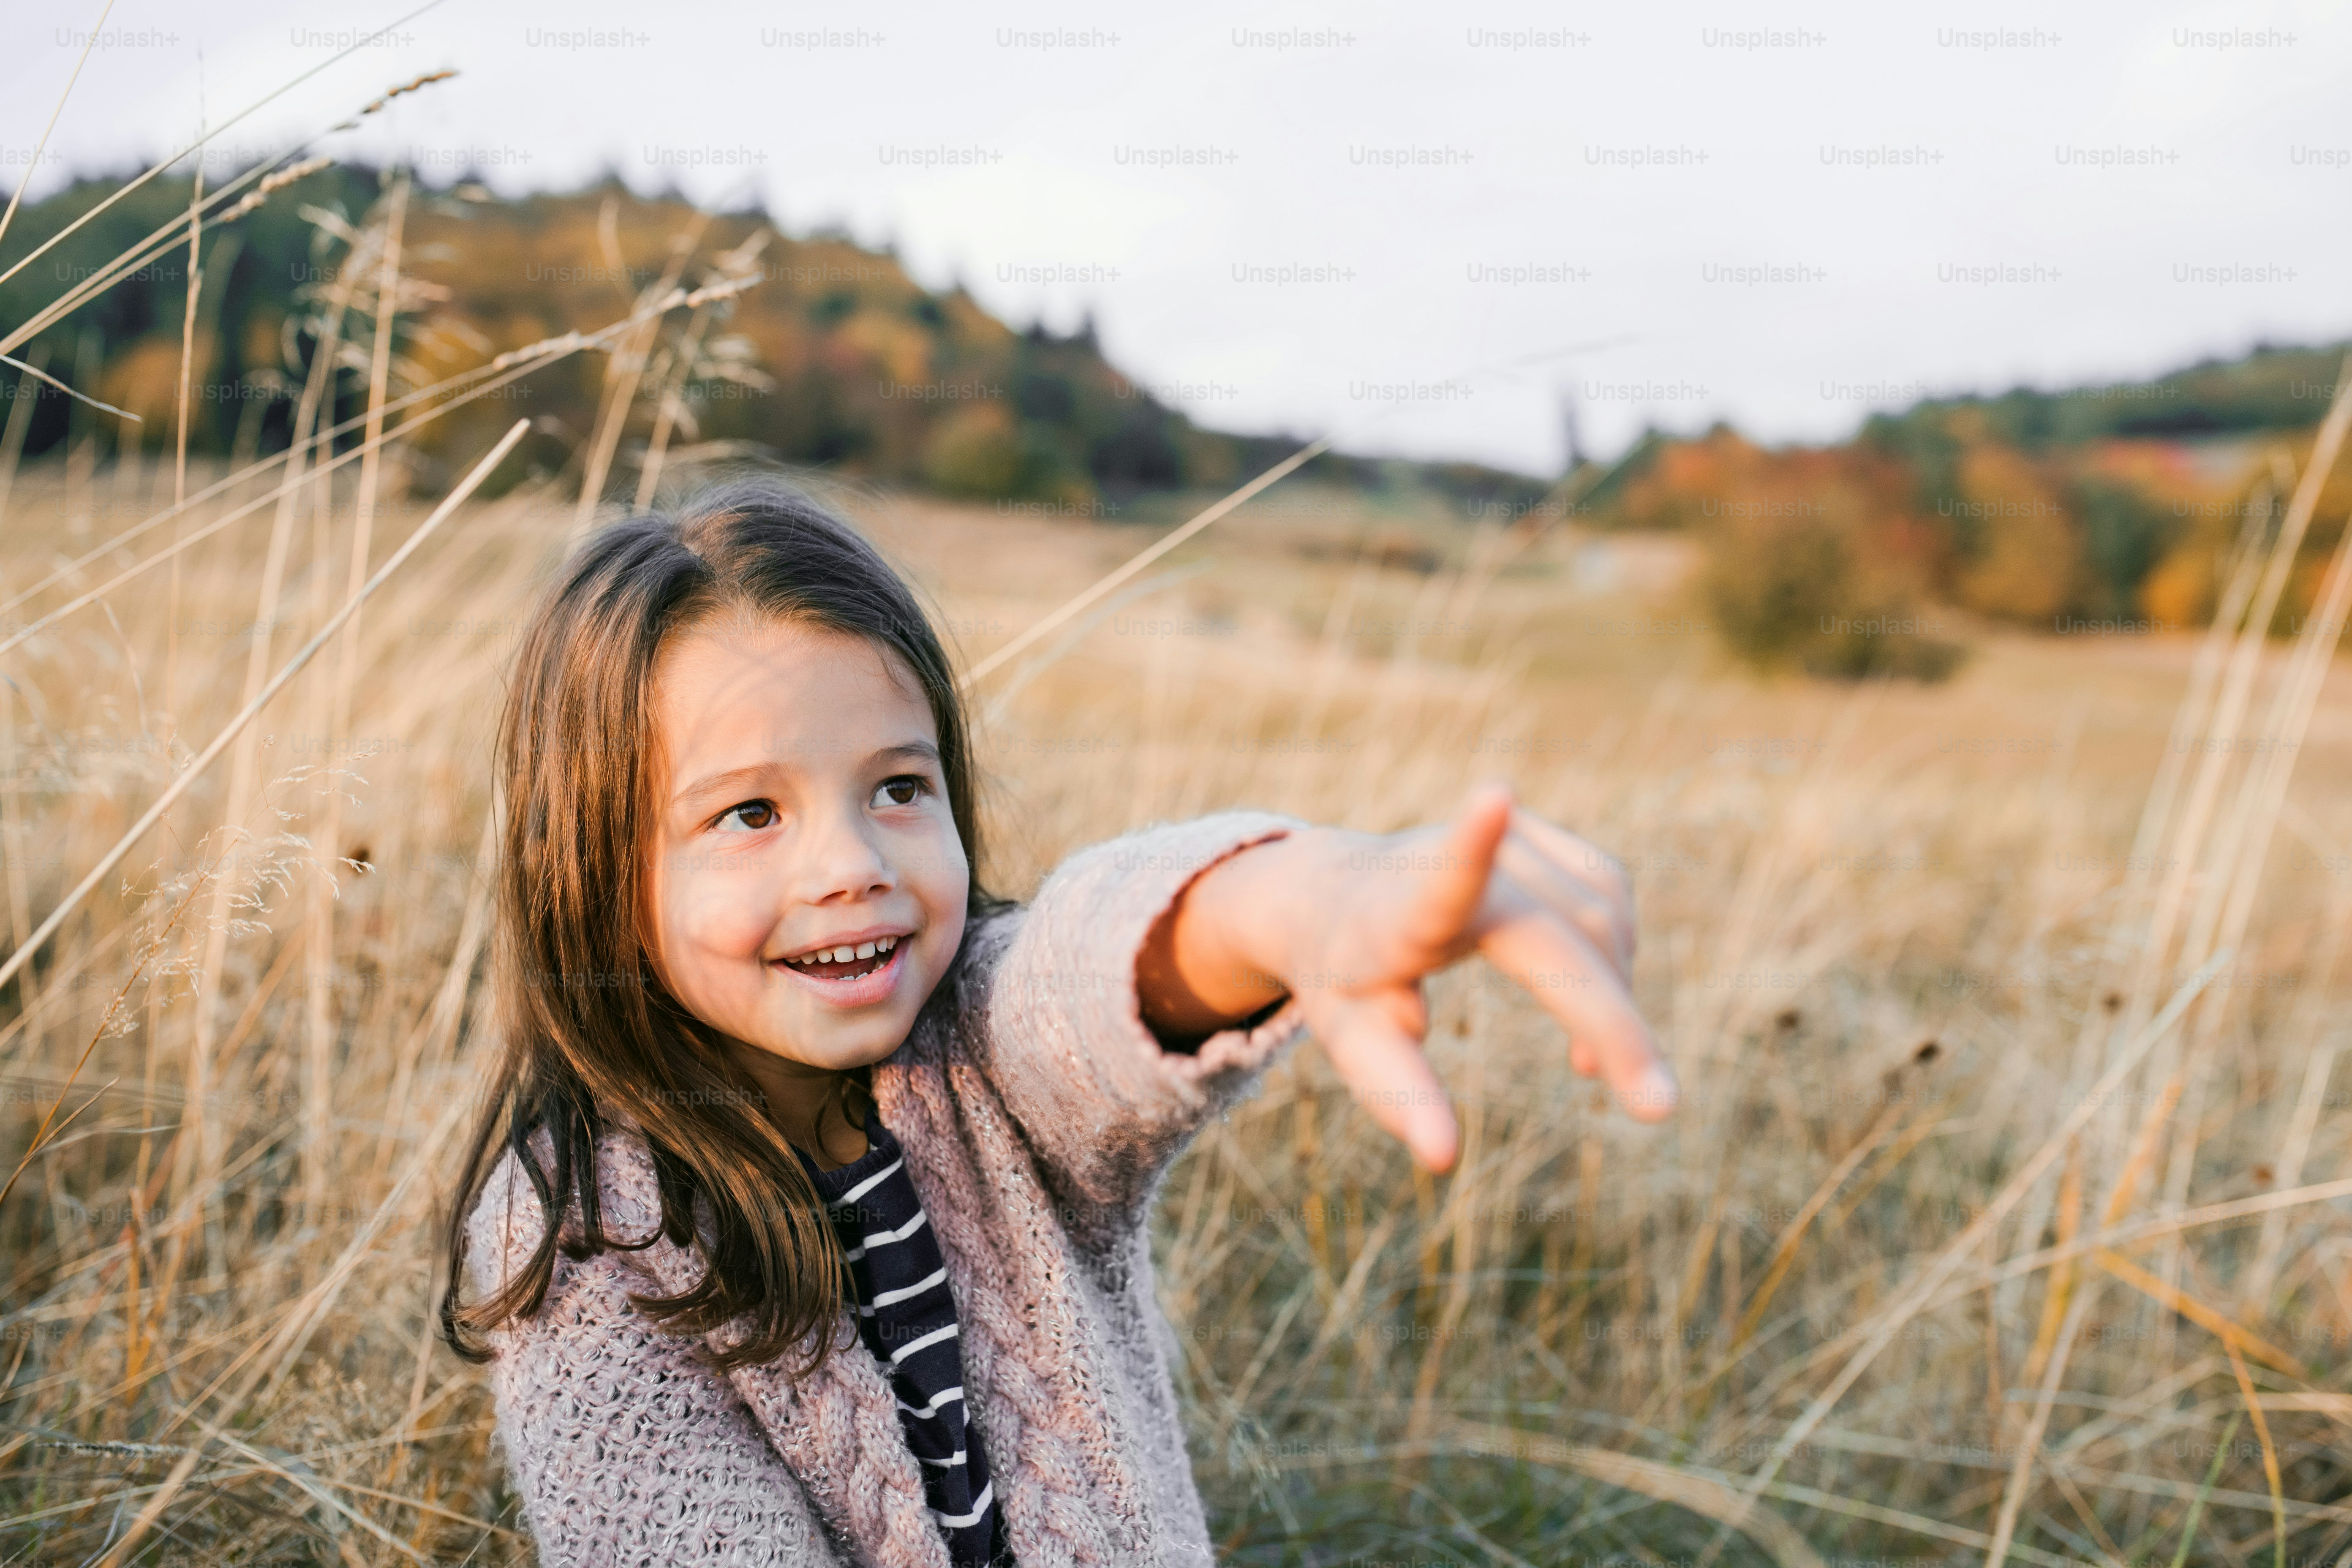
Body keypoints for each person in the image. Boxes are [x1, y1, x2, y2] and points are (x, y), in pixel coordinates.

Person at [439, 479, 1677, 1566]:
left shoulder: (982, 1054)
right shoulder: (584, 1237)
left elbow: (1094, 966)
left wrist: (1303, 900)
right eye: (750, 815)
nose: (853, 863)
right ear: (597, 869)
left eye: (899, 786)